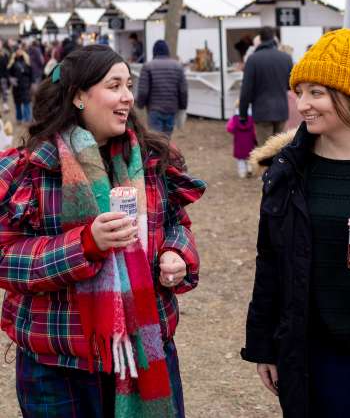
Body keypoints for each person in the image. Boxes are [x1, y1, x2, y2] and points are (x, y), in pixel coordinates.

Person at [0, 44, 205, 418]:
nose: (128, 96)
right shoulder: (28, 171)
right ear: (79, 96)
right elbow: (5, 260)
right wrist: (85, 245)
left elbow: (176, 225)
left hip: (147, 350)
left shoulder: (152, 159)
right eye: (114, 86)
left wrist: (176, 254)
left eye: (129, 85)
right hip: (60, 365)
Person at [241, 29, 350, 418]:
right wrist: (264, 345)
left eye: (316, 92)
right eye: (299, 91)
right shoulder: (288, 169)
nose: (302, 104)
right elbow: (269, 262)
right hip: (319, 354)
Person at [239, 26, 292, 146]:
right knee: (279, 149)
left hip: (262, 111)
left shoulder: (253, 60)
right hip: (281, 110)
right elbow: (290, 85)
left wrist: (243, 114)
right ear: (273, 38)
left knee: (265, 152)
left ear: (261, 39)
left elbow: (246, 90)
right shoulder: (286, 58)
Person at [137, 40, 188, 136]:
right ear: (167, 51)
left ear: (154, 52)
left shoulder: (148, 66)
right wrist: (183, 107)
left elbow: (143, 91)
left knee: (156, 139)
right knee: (166, 139)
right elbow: (183, 90)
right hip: (171, 109)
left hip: (154, 109)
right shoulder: (178, 66)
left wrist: (140, 104)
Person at [226, 101, 257, 178]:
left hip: (239, 143)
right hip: (249, 142)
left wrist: (235, 132)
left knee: (240, 159)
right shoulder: (252, 118)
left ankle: (242, 172)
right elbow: (255, 131)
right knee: (249, 156)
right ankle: (249, 168)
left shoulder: (234, 118)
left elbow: (229, 128)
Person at [7, 44, 33, 123]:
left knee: (26, 102)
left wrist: (30, 83)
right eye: (18, 50)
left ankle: (27, 118)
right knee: (18, 103)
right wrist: (11, 79)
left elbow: (31, 73)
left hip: (25, 85)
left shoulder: (26, 61)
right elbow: (8, 73)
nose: (19, 51)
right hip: (16, 86)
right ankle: (19, 118)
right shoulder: (12, 62)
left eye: (20, 50)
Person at [0, 38, 10, 113]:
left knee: (4, 93)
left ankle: (5, 106)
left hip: (3, 77)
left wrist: (7, 77)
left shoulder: (5, 54)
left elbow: (7, 66)